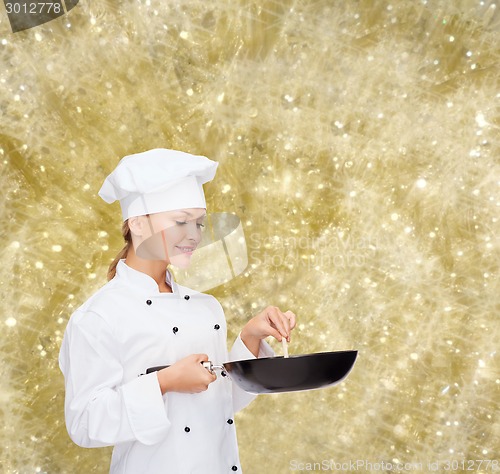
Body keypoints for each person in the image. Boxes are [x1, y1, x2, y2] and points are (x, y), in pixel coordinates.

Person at [58, 148, 296, 473]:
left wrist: (251, 335)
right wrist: (164, 382)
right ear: (139, 224)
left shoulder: (206, 308)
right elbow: (85, 423)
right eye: (181, 221)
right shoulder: (99, 316)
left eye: (199, 223)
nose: (195, 235)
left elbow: (219, 404)